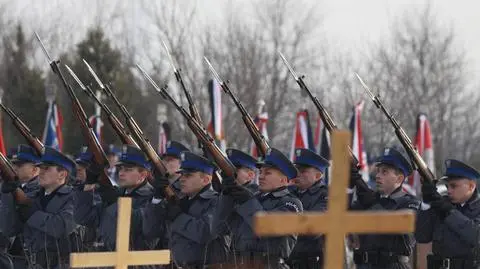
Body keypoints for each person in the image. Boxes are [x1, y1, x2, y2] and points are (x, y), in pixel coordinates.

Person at [214, 148, 303, 269]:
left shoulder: (291, 204)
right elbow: (218, 228)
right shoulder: (252, 200)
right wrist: (226, 194)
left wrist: (247, 200)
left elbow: (267, 227)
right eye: (260, 172)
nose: (260, 176)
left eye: (268, 173)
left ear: (284, 180)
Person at [144, 151, 228, 268]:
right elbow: (150, 231)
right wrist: (156, 200)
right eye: (182, 174)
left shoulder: (218, 202)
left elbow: (206, 232)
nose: (182, 179)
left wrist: (179, 217)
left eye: (188, 175)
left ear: (205, 180)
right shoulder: (177, 201)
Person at [3, 147, 76, 269]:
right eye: (41, 168)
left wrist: (32, 212)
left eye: (46, 168)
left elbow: (61, 227)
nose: (41, 172)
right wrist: (8, 194)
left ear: (62, 174)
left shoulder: (73, 198)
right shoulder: (31, 197)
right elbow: (10, 229)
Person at [350, 147, 421, 269]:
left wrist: (372, 204)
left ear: (399, 179)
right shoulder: (370, 200)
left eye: (384, 172)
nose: (377, 176)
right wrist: (350, 184)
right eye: (378, 171)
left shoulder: (410, 204)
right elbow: (343, 214)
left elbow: (404, 235)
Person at [76, 145, 155, 253]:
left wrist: (117, 202)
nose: (121, 173)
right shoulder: (116, 194)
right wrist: (88, 186)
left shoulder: (152, 198)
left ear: (143, 174)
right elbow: (84, 217)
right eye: (120, 168)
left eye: (128, 170)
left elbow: (143, 224)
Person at [416, 159, 480, 269]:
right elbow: (422, 237)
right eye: (447, 186)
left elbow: (476, 236)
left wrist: (449, 212)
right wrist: (426, 203)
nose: (449, 190)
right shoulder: (442, 204)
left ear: (471, 186)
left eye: (454, 186)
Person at [0, 145, 42, 269]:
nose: (14, 168)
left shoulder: (40, 191)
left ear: (35, 169)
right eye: (13, 165)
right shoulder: (12, 188)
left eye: (19, 165)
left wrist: (9, 191)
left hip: (26, 258)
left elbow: (10, 227)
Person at [288, 148, 329, 269]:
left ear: (317, 175)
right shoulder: (289, 192)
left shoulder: (327, 195)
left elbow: (313, 229)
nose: (297, 173)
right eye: (296, 169)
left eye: (303, 170)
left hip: (314, 263)